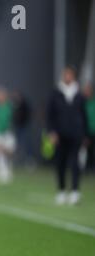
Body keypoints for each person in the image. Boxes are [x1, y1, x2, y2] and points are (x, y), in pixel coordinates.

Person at [47, 67, 88, 205]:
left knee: (75, 163)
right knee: (61, 163)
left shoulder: (79, 94)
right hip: (60, 134)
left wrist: (85, 134)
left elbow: (84, 115)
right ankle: (61, 190)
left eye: (70, 75)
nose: (68, 77)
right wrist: (52, 131)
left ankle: (75, 191)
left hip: (76, 134)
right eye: (66, 75)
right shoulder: (56, 93)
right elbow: (50, 115)